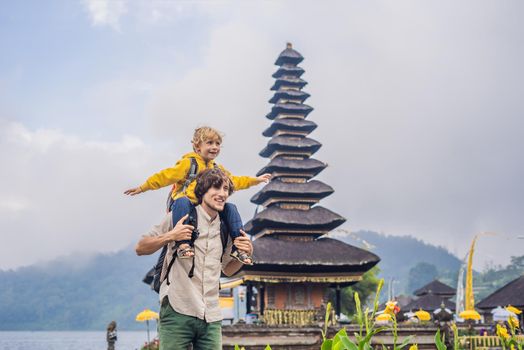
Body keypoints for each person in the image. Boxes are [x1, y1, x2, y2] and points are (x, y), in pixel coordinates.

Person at [135, 168, 253, 350]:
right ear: (202, 190)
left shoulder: (226, 227)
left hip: (211, 316)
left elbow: (228, 269)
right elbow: (141, 247)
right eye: (216, 188)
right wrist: (171, 236)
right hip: (177, 310)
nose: (222, 194)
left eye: (225, 190)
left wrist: (246, 253)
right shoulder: (180, 217)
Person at [125, 126, 269, 265]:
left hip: (206, 207)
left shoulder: (217, 169)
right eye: (210, 143)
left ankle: (239, 246)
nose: (215, 147)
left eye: (218, 144)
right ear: (197, 146)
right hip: (185, 204)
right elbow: (166, 176)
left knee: (231, 207)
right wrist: (143, 187)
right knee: (182, 201)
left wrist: (255, 180)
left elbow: (235, 181)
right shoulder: (189, 163)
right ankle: (183, 244)